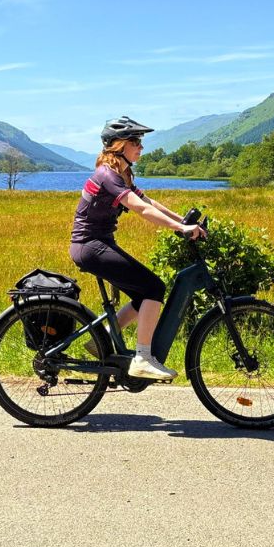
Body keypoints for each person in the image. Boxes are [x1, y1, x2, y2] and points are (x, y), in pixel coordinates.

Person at [69, 116, 207, 380]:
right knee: (154, 288)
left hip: (98, 244)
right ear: (119, 145)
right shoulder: (107, 175)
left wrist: (183, 221)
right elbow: (141, 209)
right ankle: (143, 359)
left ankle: (102, 338)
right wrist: (180, 229)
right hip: (90, 246)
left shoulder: (120, 174)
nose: (141, 147)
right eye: (136, 142)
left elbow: (149, 202)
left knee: (144, 295)